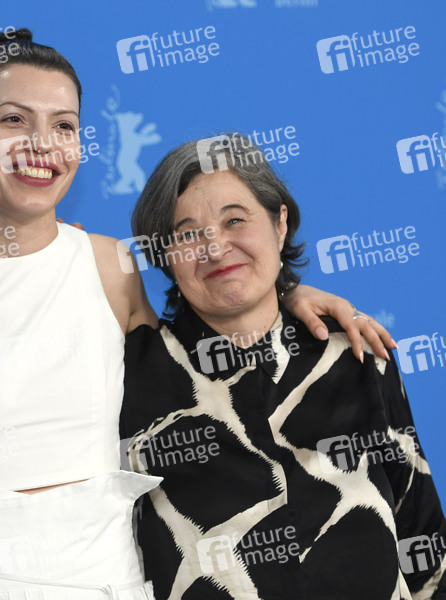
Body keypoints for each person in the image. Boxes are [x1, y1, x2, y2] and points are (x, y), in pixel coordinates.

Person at [0, 32, 395, 600]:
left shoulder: (110, 268)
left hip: (116, 583)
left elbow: (194, 364)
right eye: (14, 120)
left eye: (64, 125)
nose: (41, 145)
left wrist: (281, 296)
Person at [119, 133, 446, 598]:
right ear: (166, 258)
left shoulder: (355, 352)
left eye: (235, 220)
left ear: (279, 224)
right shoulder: (127, 377)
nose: (215, 248)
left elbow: (424, 539)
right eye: (187, 234)